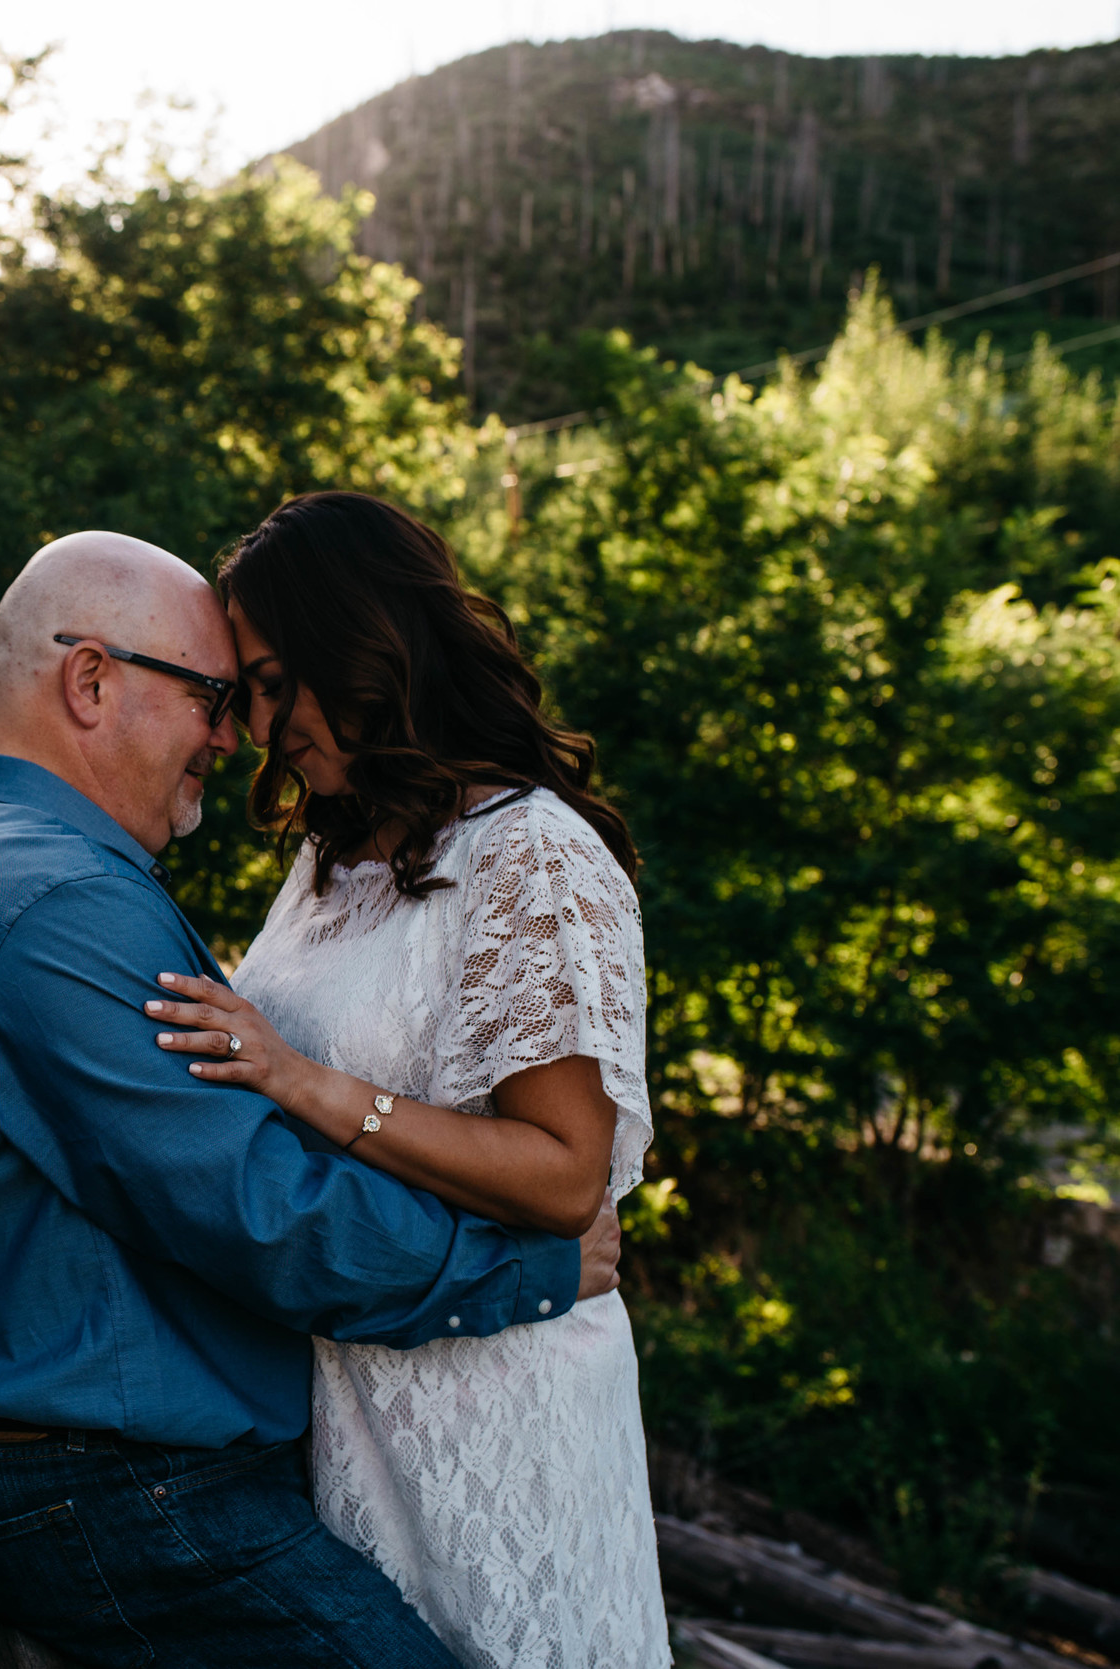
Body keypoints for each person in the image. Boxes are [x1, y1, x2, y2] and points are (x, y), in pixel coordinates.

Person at [0, 529, 621, 1668]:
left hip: (99, 1474)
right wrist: (529, 1268)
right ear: (89, 679)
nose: (228, 732)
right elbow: (263, 1211)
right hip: (111, 1491)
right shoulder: (50, 901)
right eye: (210, 693)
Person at [138, 491, 671, 1669]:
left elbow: (562, 1175)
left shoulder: (529, 852)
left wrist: (308, 1087)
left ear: (365, 642)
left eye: (276, 681)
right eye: (244, 692)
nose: (260, 725)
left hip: (497, 1408)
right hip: (349, 1385)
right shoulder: (337, 858)